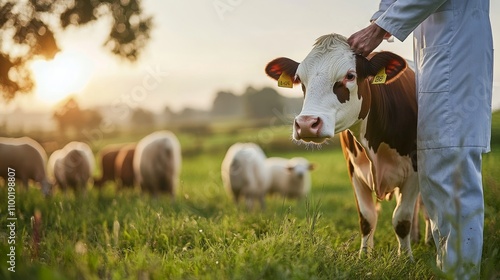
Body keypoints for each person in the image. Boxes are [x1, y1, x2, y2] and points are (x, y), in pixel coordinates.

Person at [347, 0, 493, 278]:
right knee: (439, 170)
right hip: (441, 56)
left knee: (451, 167)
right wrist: (383, 16)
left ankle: (460, 273)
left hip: (454, 57)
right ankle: (452, 268)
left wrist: (379, 28)